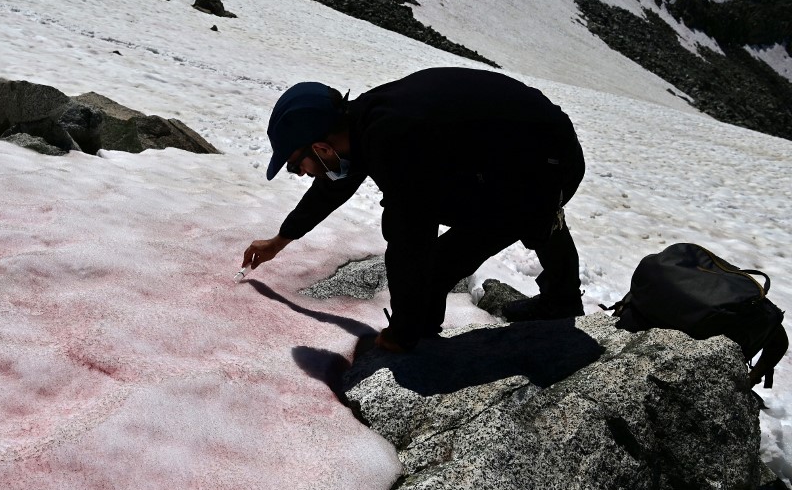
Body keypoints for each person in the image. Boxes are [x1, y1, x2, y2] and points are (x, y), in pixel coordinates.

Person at [242, 67, 586, 352]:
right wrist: (279, 241)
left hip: (547, 161)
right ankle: (559, 288)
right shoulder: (363, 121)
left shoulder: (394, 141)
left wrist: (402, 332)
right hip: (535, 147)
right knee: (460, 218)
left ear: (321, 148)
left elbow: (410, 237)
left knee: (435, 263)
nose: (300, 172)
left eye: (295, 164)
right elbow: (333, 187)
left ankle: (559, 298)